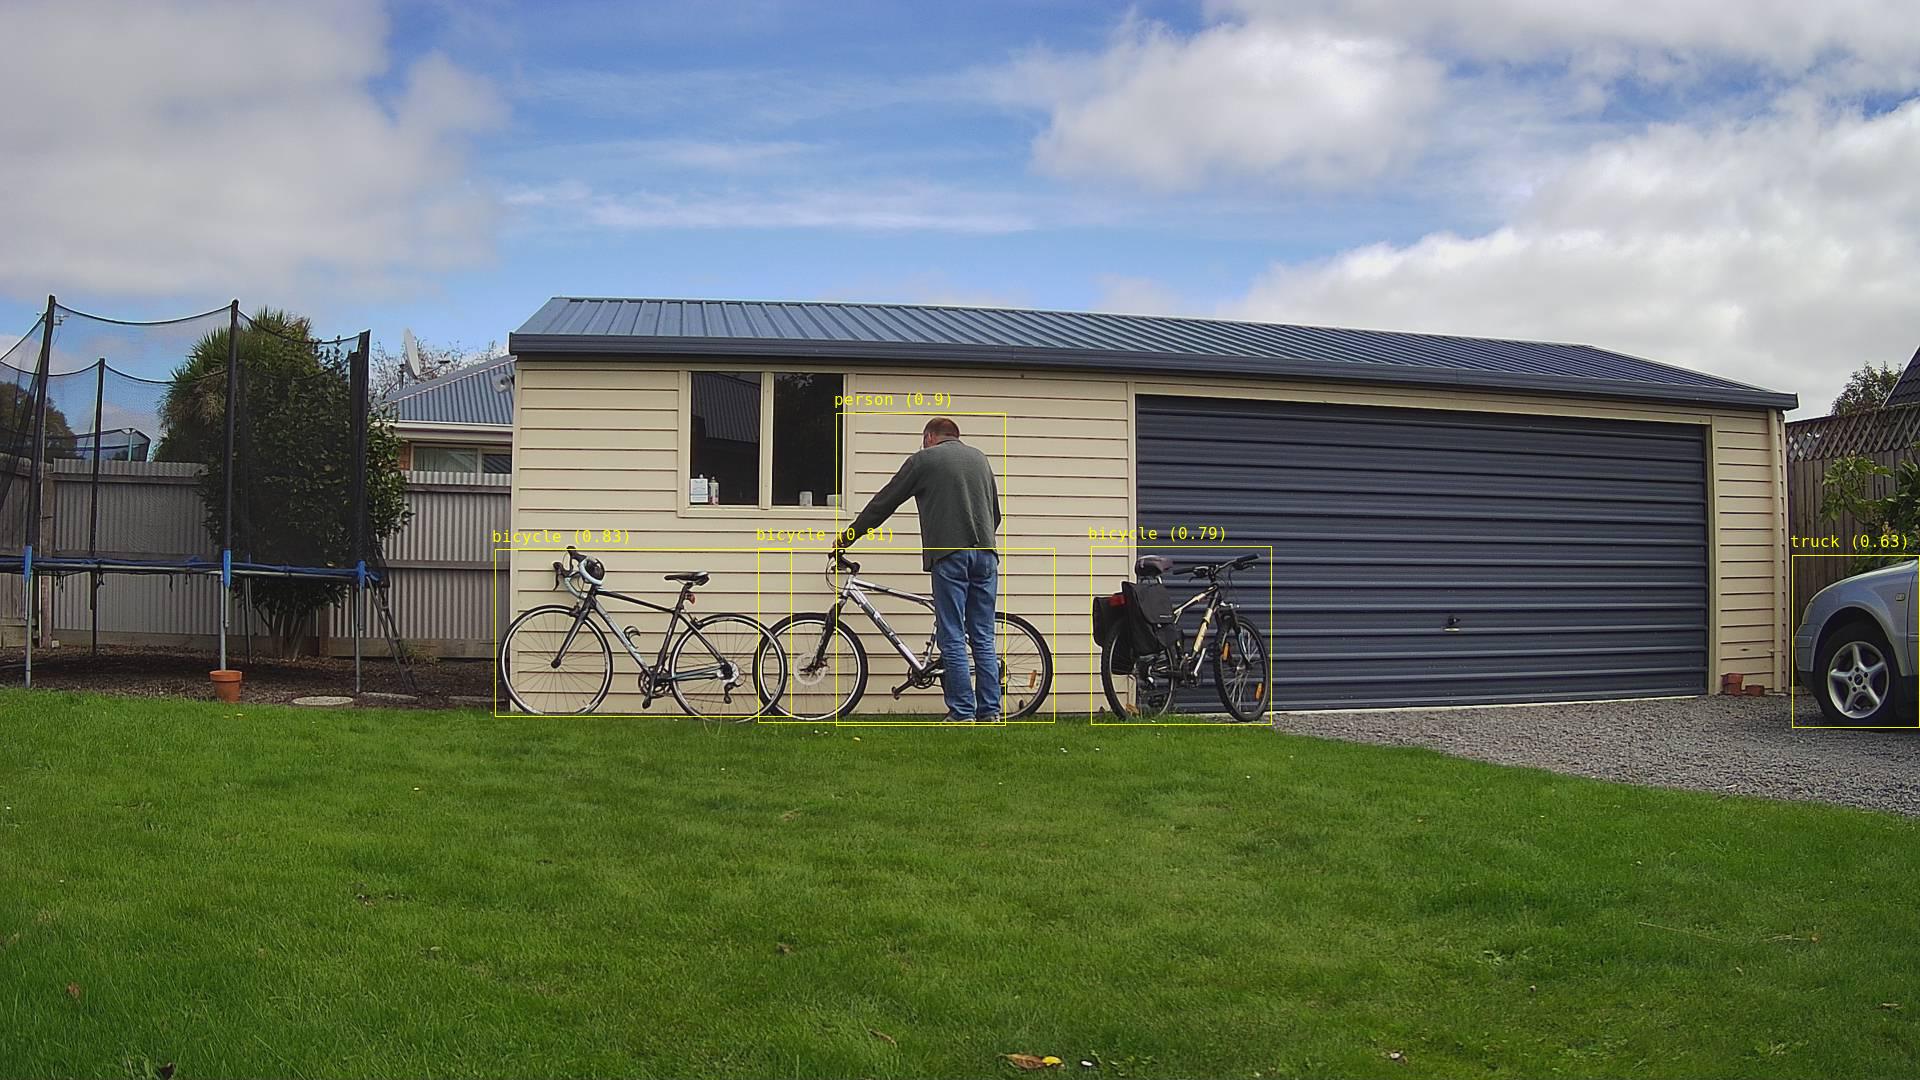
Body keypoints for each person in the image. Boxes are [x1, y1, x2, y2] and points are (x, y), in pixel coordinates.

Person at [834, 416, 1003, 721]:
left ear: (929, 437)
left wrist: (849, 536)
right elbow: (995, 513)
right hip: (986, 555)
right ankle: (990, 712)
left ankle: (962, 713)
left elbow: (884, 503)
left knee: (952, 634)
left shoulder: (924, 460)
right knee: (982, 635)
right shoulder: (980, 459)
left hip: (949, 554)